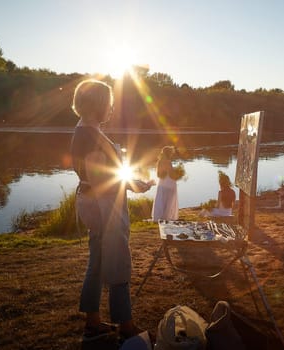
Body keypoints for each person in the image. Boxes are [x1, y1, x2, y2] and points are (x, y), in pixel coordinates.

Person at [70, 79, 154, 342]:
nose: (112, 107)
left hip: (94, 204)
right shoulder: (89, 134)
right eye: (109, 103)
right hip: (104, 208)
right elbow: (101, 180)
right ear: (99, 104)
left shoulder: (85, 129)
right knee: (118, 263)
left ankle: (93, 323)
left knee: (96, 264)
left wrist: (132, 184)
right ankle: (126, 327)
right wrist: (133, 186)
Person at [151, 146, 180, 222]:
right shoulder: (168, 162)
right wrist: (178, 174)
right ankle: (167, 217)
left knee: (160, 201)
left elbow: (158, 175)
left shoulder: (159, 162)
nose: (172, 154)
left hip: (161, 184)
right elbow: (171, 174)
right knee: (169, 201)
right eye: (171, 153)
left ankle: (158, 217)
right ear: (169, 153)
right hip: (169, 184)